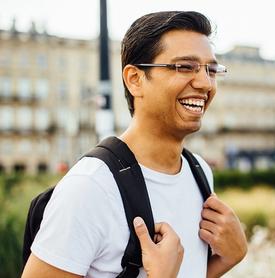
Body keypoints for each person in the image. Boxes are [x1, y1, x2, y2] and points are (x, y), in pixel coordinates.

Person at [22, 11, 247, 277]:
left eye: (211, 69)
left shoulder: (198, 171)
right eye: (185, 66)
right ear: (135, 79)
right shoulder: (91, 187)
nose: (205, 83)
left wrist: (231, 256)